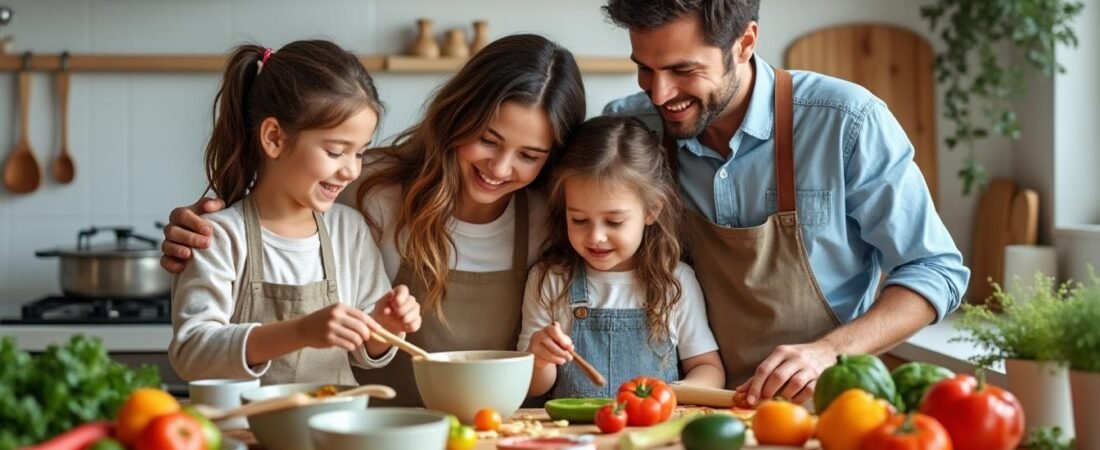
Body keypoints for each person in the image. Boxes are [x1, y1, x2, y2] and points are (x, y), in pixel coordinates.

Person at [161, 35, 587, 405]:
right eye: (487, 140)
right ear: (458, 118)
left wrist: (381, 323)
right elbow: (279, 203)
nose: (500, 167)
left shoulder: (553, 221)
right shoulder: (367, 193)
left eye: (529, 156)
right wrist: (198, 230)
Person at [601, 0, 970, 406]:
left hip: (824, 408)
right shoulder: (631, 132)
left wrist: (829, 352)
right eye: (645, 69)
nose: (660, 93)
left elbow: (933, 267)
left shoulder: (846, 122)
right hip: (682, 410)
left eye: (683, 70)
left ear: (745, 42)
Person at [168, 40, 421, 386]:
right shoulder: (221, 236)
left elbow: (367, 354)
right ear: (274, 138)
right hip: (246, 434)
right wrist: (300, 331)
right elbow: (192, 353)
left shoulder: (350, 231)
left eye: (360, 153)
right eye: (335, 152)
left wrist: (385, 325)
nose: (351, 171)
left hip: (337, 432)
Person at [520, 116, 724, 399]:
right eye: (578, 219)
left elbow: (707, 367)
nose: (595, 236)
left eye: (614, 222)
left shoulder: (675, 282)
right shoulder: (549, 279)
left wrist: (669, 395)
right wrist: (539, 358)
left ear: (651, 210)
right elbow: (528, 387)